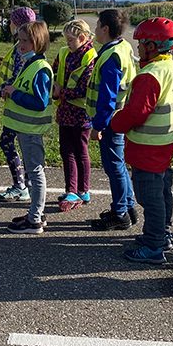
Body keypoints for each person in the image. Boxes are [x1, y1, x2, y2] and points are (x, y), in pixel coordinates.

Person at [110, 17, 173, 264]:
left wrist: (115, 122)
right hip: (165, 143)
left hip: (147, 147)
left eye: (141, 43)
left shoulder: (149, 75)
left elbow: (136, 113)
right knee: (162, 192)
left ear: (152, 46)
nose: (138, 47)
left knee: (149, 197)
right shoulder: (172, 68)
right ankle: (162, 234)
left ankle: (154, 245)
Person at [86, 9, 138, 231]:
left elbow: (107, 97)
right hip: (118, 117)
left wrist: (98, 126)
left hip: (110, 121)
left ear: (105, 29)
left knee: (114, 166)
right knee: (119, 164)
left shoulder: (110, 57)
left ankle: (120, 213)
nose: (95, 30)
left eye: (97, 26)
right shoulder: (122, 47)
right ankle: (128, 206)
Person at [2, 20, 53, 234]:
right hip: (25, 129)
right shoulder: (30, 64)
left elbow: (39, 102)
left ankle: (35, 219)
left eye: (25, 41)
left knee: (35, 172)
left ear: (37, 42)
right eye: (19, 40)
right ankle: (35, 212)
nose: (20, 45)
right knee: (33, 173)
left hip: (31, 130)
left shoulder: (40, 68)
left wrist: (15, 93)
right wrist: (8, 90)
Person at [52, 19, 97, 211]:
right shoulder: (64, 53)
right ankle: (71, 189)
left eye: (71, 40)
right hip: (65, 111)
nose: (67, 43)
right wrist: (54, 87)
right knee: (66, 151)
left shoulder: (91, 58)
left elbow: (84, 89)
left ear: (83, 37)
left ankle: (82, 189)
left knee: (80, 151)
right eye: (66, 39)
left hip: (81, 113)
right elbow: (54, 71)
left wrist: (60, 92)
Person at [0, 7, 36, 203]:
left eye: (12, 21)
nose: (10, 24)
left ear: (18, 24)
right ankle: (24, 184)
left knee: (8, 142)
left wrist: (2, 89)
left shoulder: (22, 48)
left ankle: (22, 185)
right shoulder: (24, 45)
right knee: (18, 143)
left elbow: (18, 75)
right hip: (18, 103)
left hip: (17, 104)